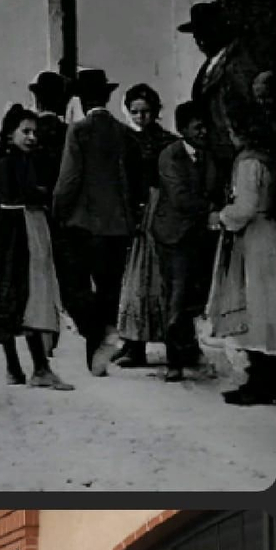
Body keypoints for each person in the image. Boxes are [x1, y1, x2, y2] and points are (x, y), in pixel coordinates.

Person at [0, 105, 72, 389]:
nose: (31, 137)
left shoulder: (6, 159)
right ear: (9, 134)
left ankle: (16, 368)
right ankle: (38, 368)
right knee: (30, 294)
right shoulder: (13, 161)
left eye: (34, 132)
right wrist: (41, 192)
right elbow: (22, 193)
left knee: (11, 298)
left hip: (12, 228)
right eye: (25, 131)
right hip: (19, 230)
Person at [53, 67, 141, 373]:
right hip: (119, 225)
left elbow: (69, 180)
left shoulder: (78, 131)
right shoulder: (125, 133)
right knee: (109, 287)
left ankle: (96, 338)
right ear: (107, 96)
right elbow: (133, 180)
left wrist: (58, 212)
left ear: (81, 98)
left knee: (75, 287)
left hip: (83, 224)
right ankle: (99, 348)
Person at [207, 104, 276, 405]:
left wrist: (221, 216)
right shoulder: (273, 156)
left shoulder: (250, 162)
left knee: (257, 307)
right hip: (273, 232)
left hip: (257, 239)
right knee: (272, 306)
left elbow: (246, 207)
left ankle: (262, 380)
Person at [146, 102, 220, 380]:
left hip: (199, 236)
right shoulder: (171, 156)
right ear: (182, 129)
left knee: (193, 297)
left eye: (206, 126)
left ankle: (188, 349)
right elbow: (180, 198)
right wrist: (211, 208)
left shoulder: (208, 155)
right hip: (174, 236)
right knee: (175, 297)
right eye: (198, 127)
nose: (204, 131)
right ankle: (174, 361)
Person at [111, 86, 179, 369]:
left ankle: (174, 344)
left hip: (161, 210)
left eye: (146, 111)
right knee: (132, 281)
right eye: (135, 111)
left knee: (157, 280)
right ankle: (132, 342)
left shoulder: (167, 142)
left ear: (156, 111)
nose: (141, 117)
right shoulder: (123, 139)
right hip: (133, 213)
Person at [181, 1, 261, 197]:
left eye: (205, 32)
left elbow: (249, 108)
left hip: (236, 151)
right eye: (196, 34)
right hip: (219, 154)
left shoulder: (238, 65)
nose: (199, 40)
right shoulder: (211, 65)